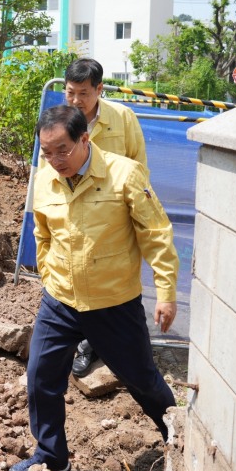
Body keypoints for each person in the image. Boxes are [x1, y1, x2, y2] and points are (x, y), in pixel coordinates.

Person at [10, 105, 179, 471]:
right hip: (61, 300)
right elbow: (42, 233)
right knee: (41, 376)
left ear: (85, 139)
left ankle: (178, 441)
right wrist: (49, 278)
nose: (54, 160)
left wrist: (166, 291)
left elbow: (157, 237)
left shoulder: (124, 175)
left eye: (62, 150)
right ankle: (53, 456)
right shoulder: (44, 180)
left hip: (113, 303)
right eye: (47, 152)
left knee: (141, 379)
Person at [62, 58, 147, 377]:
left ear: (99, 89)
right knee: (80, 277)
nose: (75, 101)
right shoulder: (61, 120)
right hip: (75, 213)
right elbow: (48, 166)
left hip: (114, 215)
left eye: (83, 93)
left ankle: (109, 347)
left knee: (116, 280)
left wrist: (138, 211)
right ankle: (85, 340)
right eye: (70, 92)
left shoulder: (122, 118)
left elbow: (139, 167)